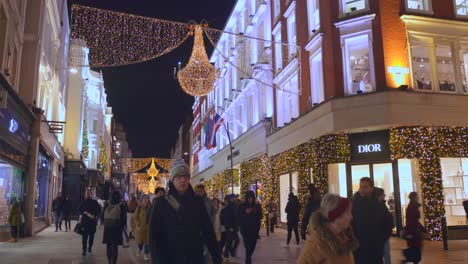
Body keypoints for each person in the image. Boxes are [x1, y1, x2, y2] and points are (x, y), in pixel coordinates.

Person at [149, 159, 221, 264]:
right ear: (172, 179)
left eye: (186, 177)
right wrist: (157, 260)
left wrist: (216, 257)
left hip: (194, 258)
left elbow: (208, 231)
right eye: (178, 177)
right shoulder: (161, 204)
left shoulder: (197, 202)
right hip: (169, 258)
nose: (183, 180)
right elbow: (154, 237)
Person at [297, 193, 359, 264]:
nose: (351, 217)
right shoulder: (316, 244)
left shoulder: (345, 237)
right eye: (348, 213)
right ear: (336, 217)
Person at [352, 177, 392, 264]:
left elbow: (388, 223)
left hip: (375, 248)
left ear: (371, 189)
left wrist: (381, 240)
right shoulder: (354, 204)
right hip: (359, 248)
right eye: (361, 187)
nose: (362, 189)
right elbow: (351, 223)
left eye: (365, 187)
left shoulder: (379, 205)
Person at [102, 191, 127, 264]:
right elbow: (124, 217)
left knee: (108, 245)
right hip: (117, 228)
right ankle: (114, 262)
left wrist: (105, 224)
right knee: (115, 246)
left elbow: (103, 215)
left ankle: (109, 261)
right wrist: (122, 226)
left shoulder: (107, 203)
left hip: (108, 227)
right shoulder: (121, 205)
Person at [239, 190, 262, 264]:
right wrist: (245, 213)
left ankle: (248, 258)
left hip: (254, 230)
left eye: (251, 197)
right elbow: (239, 217)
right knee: (247, 247)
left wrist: (253, 212)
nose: (250, 199)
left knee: (252, 246)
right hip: (245, 230)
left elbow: (260, 216)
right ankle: (248, 261)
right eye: (249, 197)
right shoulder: (242, 206)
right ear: (246, 198)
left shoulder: (257, 206)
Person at [403, 192, 426, 264]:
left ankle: (407, 259)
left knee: (416, 249)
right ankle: (407, 259)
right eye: (417, 197)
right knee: (416, 249)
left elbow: (415, 221)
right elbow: (411, 221)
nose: (418, 198)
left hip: (415, 230)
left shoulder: (413, 207)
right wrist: (409, 232)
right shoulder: (411, 208)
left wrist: (423, 229)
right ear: (413, 198)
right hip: (414, 231)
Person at [374, 187, 395, 264]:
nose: (385, 195)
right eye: (383, 194)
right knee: (385, 254)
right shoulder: (379, 206)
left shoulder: (381, 205)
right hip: (382, 234)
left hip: (383, 233)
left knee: (385, 254)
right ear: (379, 195)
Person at [78, 190, 101, 256]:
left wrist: (95, 215)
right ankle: (84, 250)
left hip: (92, 221)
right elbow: (79, 209)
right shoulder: (83, 201)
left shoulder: (95, 202)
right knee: (84, 236)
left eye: (89, 193)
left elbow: (99, 211)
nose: (88, 195)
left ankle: (90, 247)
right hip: (85, 221)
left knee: (91, 236)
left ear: (92, 194)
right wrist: (83, 212)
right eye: (87, 193)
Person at [220, 194, 238, 260]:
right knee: (231, 240)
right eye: (234, 198)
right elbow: (228, 217)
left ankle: (228, 253)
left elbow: (235, 216)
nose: (236, 198)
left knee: (231, 241)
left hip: (233, 226)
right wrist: (230, 227)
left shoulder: (234, 205)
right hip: (230, 227)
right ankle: (226, 253)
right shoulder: (230, 206)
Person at [135, 194, 152, 261]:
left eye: (147, 199)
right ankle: (139, 248)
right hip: (141, 228)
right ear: (142, 200)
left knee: (147, 243)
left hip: (148, 229)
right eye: (144, 199)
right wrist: (138, 224)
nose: (146, 200)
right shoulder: (139, 208)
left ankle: (146, 255)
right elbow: (135, 217)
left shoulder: (151, 207)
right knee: (141, 242)